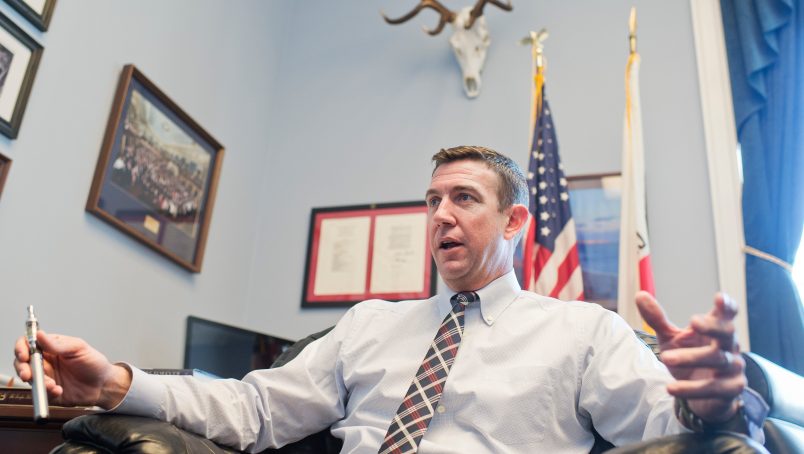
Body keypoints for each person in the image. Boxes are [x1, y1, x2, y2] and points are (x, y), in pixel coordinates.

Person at [14, 146, 766, 453]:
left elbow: (664, 430)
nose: (439, 215)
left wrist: (716, 404)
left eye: (463, 199)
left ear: (514, 223)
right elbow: (254, 409)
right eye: (432, 200)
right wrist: (115, 382)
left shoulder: (583, 331)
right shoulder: (370, 323)